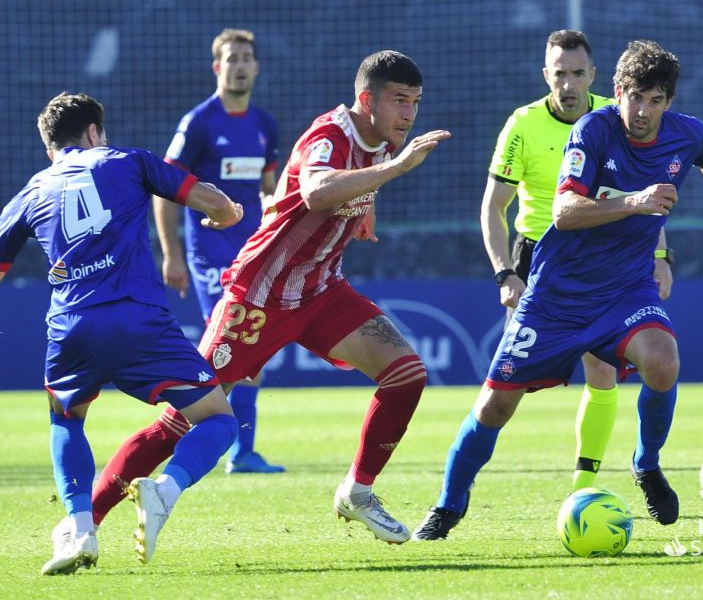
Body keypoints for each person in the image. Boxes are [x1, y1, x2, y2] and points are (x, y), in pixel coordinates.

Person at [99, 50, 450, 544]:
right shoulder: (331, 133)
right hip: (259, 298)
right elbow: (316, 190)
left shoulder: (382, 142)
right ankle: (84, 524)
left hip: (322, 292)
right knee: (180, 420)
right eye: (399, 101)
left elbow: (323, 193)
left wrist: (364, 211)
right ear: (366, 99)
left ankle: (358, 492)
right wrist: (395, 171)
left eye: (415, 102)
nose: (410, 114)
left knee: (407, 375)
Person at [413, 40, 703, 540]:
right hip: (556, 294)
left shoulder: (688, 135)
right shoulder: (592, 131)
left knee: (663, 361)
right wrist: (635, 201)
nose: (642, 111)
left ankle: (646, 462)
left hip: (625, 289)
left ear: (669, 102)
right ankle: (448, 505)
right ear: (617, 92)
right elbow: (564, 213)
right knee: (494, 405)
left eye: (655, 100)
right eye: (634, 97)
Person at [0, 92, 245, 573]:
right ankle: (165, 490)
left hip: (72, 329)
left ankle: (80, 529)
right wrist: (226, 213)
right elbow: (211, 201)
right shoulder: (129, 160)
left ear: (50, 148)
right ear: (93, 133)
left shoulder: (32, 190)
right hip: (139, 320)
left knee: (66, 420)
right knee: (218, 420)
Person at [88, 30, 282, 538]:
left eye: (246, 59)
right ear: (216, 68)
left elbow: (269, 189)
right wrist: (172, 254)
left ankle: (240, 450)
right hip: (210, 255)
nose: (239, 66)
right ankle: (225, 446)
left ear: (256, 68)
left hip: (253, 253)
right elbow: (165, 191)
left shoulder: (264, 125)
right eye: (230, 59)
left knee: (249, 354)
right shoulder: (198, 124)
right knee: (232, 347)